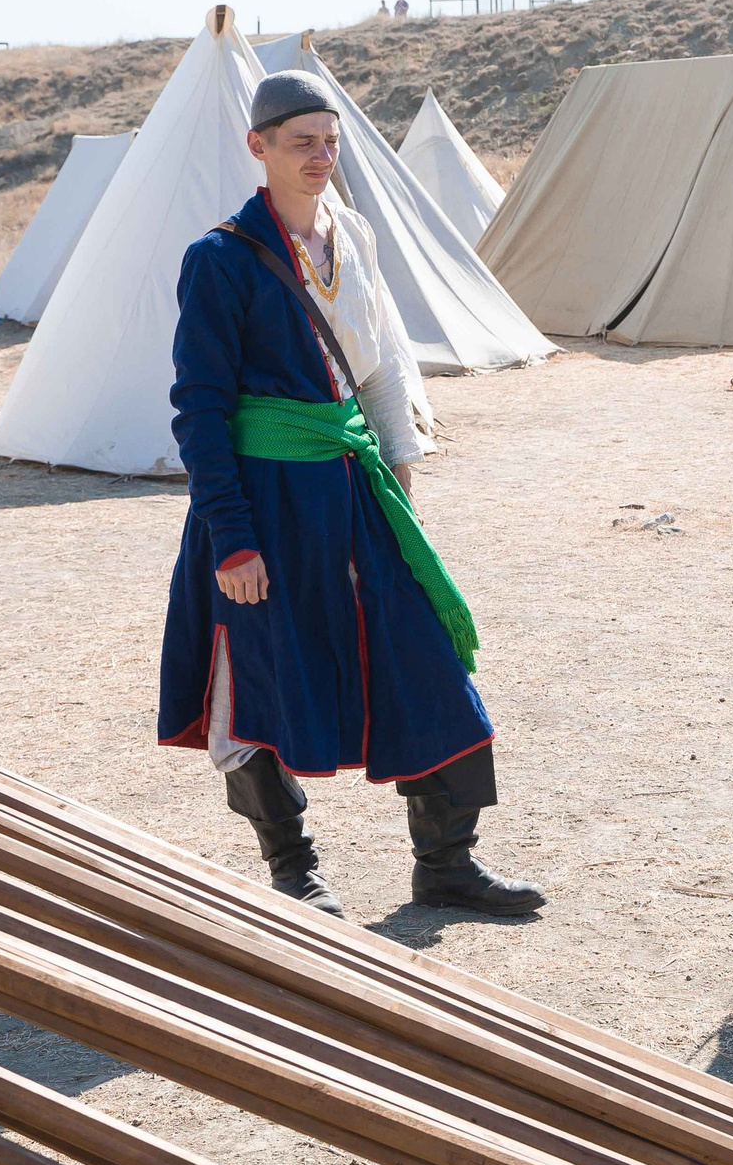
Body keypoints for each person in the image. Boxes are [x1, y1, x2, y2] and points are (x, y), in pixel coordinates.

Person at [158, 69, 544, 919]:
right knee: (258, 681)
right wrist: (233, 539)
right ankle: (293, 872)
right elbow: (200, 409)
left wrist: (398, 471)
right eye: (302, 142)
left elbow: (380, 363)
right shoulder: (218, 259)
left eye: (330, 141)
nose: (320, 156)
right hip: (264, 501)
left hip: (354, 485)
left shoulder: (354, 234)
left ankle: (447, 863)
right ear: (258, 147)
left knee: (425, 656)